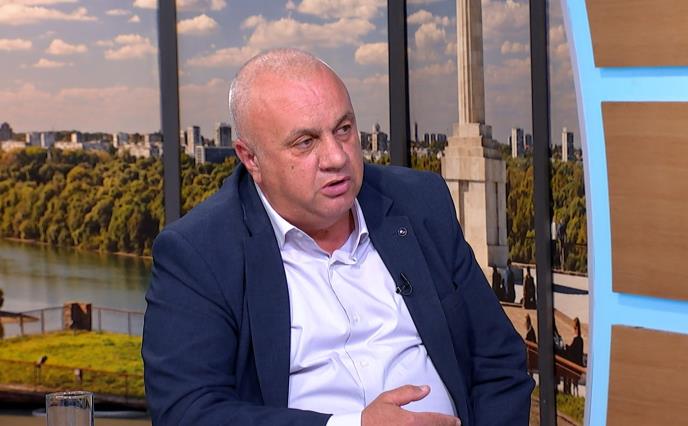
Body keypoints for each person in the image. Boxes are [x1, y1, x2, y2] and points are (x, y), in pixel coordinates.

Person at [142, 48, 533, 426]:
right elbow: (188, 413)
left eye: (344, 129)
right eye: (306, 142)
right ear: (251, 158)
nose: (337, 157)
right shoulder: (199, 253)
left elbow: (499, 362)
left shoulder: (419, 203)